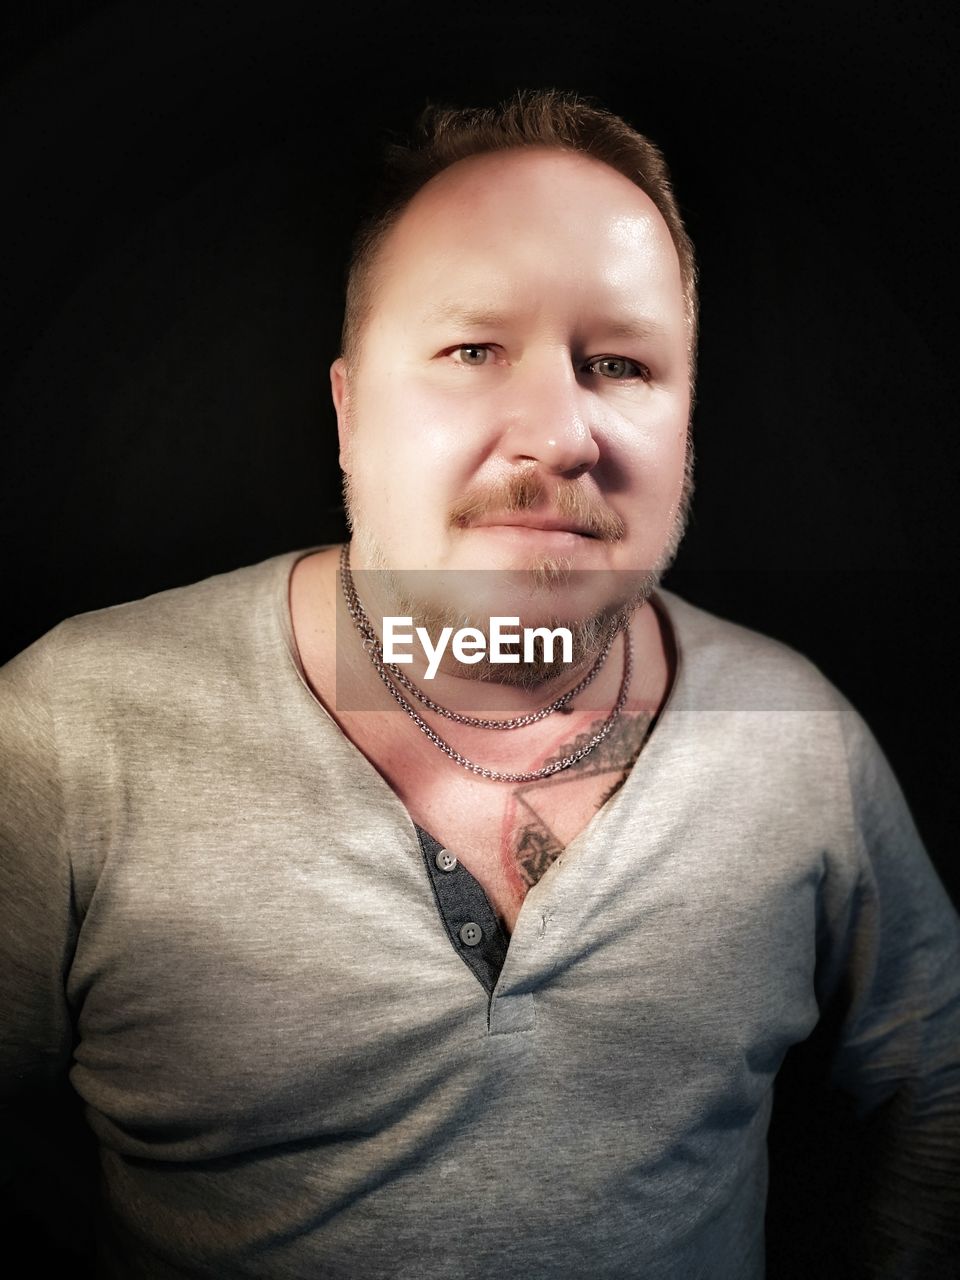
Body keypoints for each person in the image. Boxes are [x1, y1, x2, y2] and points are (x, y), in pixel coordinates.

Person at [1, 90, 957, 1280]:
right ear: (350, 413)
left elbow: (938, 1091)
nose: (559, 432)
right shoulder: (72, 729)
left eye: (620, 363)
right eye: (471, 349)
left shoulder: (798, 734)